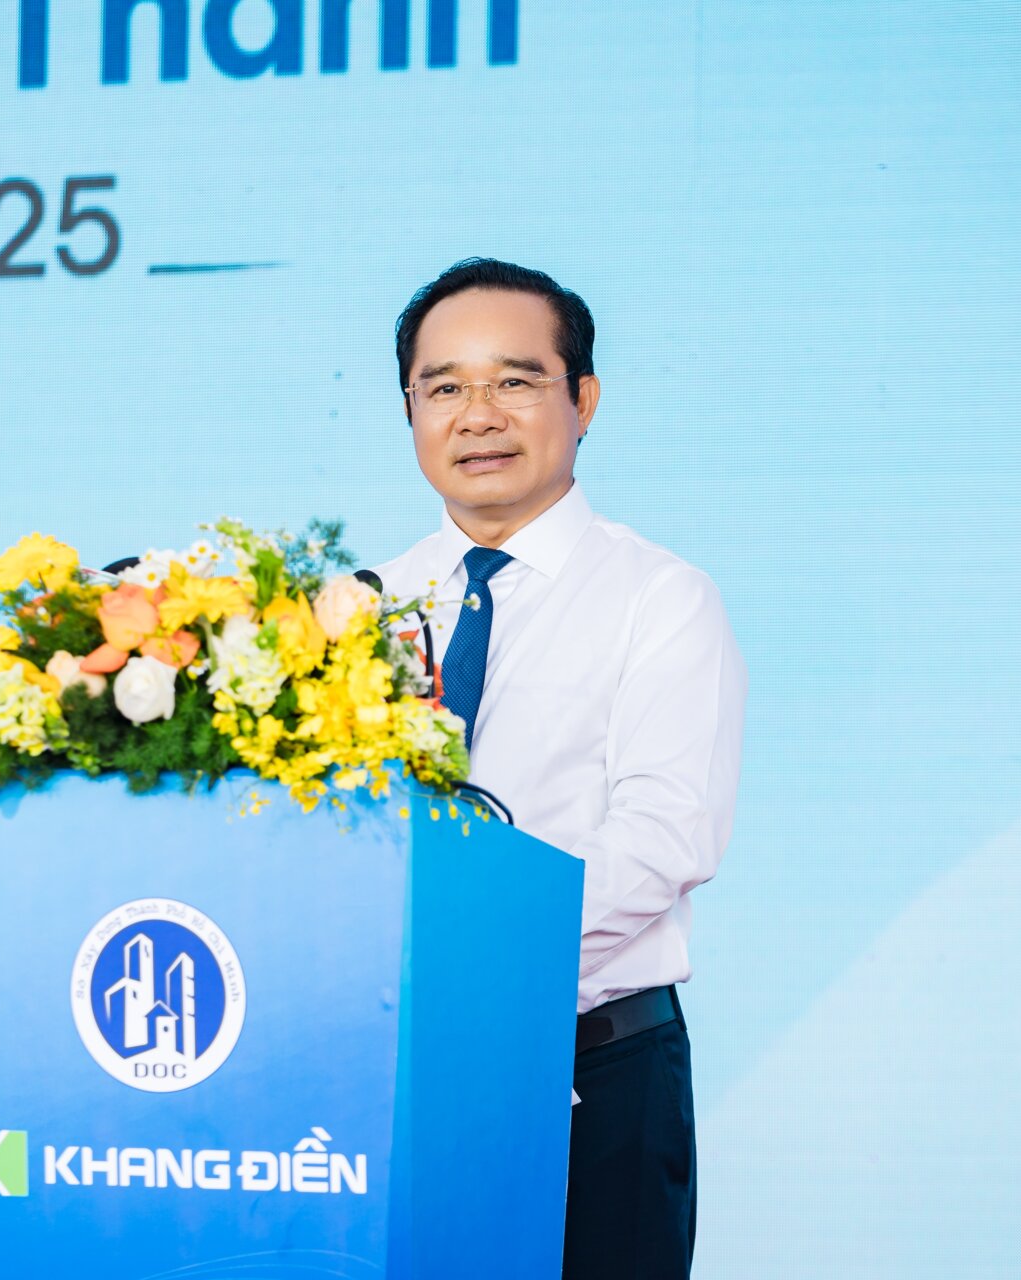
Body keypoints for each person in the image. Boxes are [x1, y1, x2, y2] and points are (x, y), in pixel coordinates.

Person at [371, 258, 747, 1279]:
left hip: (593, 1069)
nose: (478, 415)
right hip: (388, 1075)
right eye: (444, 387)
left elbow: (665, 839)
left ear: (583, 400)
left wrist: (473, 959)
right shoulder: (362, 605)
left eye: (516, 380)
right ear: (409, 412)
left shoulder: (659, 597)